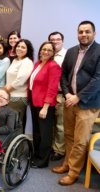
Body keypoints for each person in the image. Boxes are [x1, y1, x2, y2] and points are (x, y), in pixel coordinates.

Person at [52, 20, 100, 185]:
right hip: (69, 102)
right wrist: (67, 94)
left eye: (87, 31)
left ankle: (73, 172)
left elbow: (98, 79)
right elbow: (64, 75)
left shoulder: (99, 51)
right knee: (69, 136)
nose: (84, 34)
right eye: (81, 32)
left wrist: (78, 96)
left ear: (94, 33)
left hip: (88, 104)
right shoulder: (71, 51)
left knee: (80, 140)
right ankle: (67, 164)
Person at [29, 42, 62, 168]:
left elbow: (52, 88)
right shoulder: (37, 64)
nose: (46, 52)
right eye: (44, 49)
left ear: (53, 52)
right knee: (37, 131)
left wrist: (46, 107)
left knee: (45, 133)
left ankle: (43, 161)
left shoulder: (53, 66)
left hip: (44, 104)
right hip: (34, 102)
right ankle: (36, 155)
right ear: (40, 50)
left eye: (49, 50)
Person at [5, 39, 34, 128]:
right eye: (18, 46)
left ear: (28, 50)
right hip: (10, 96)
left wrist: (4, 90)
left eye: (23, 47)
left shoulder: (27, 62)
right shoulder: (15, 60)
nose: (20, 49)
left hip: (18, 98)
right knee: (9, 124)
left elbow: (20, 81)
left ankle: (19, 142)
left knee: (15, 124)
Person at [48, 31, 67, 161]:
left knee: (60, 125)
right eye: (52, 40)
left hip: (61, 95)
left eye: (58, 39)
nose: (55, 41)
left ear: (62, 41)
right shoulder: (47, 55)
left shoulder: (68, 55)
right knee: (50, 123)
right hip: (48, 95)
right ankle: (52, 146)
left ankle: (59, 150)